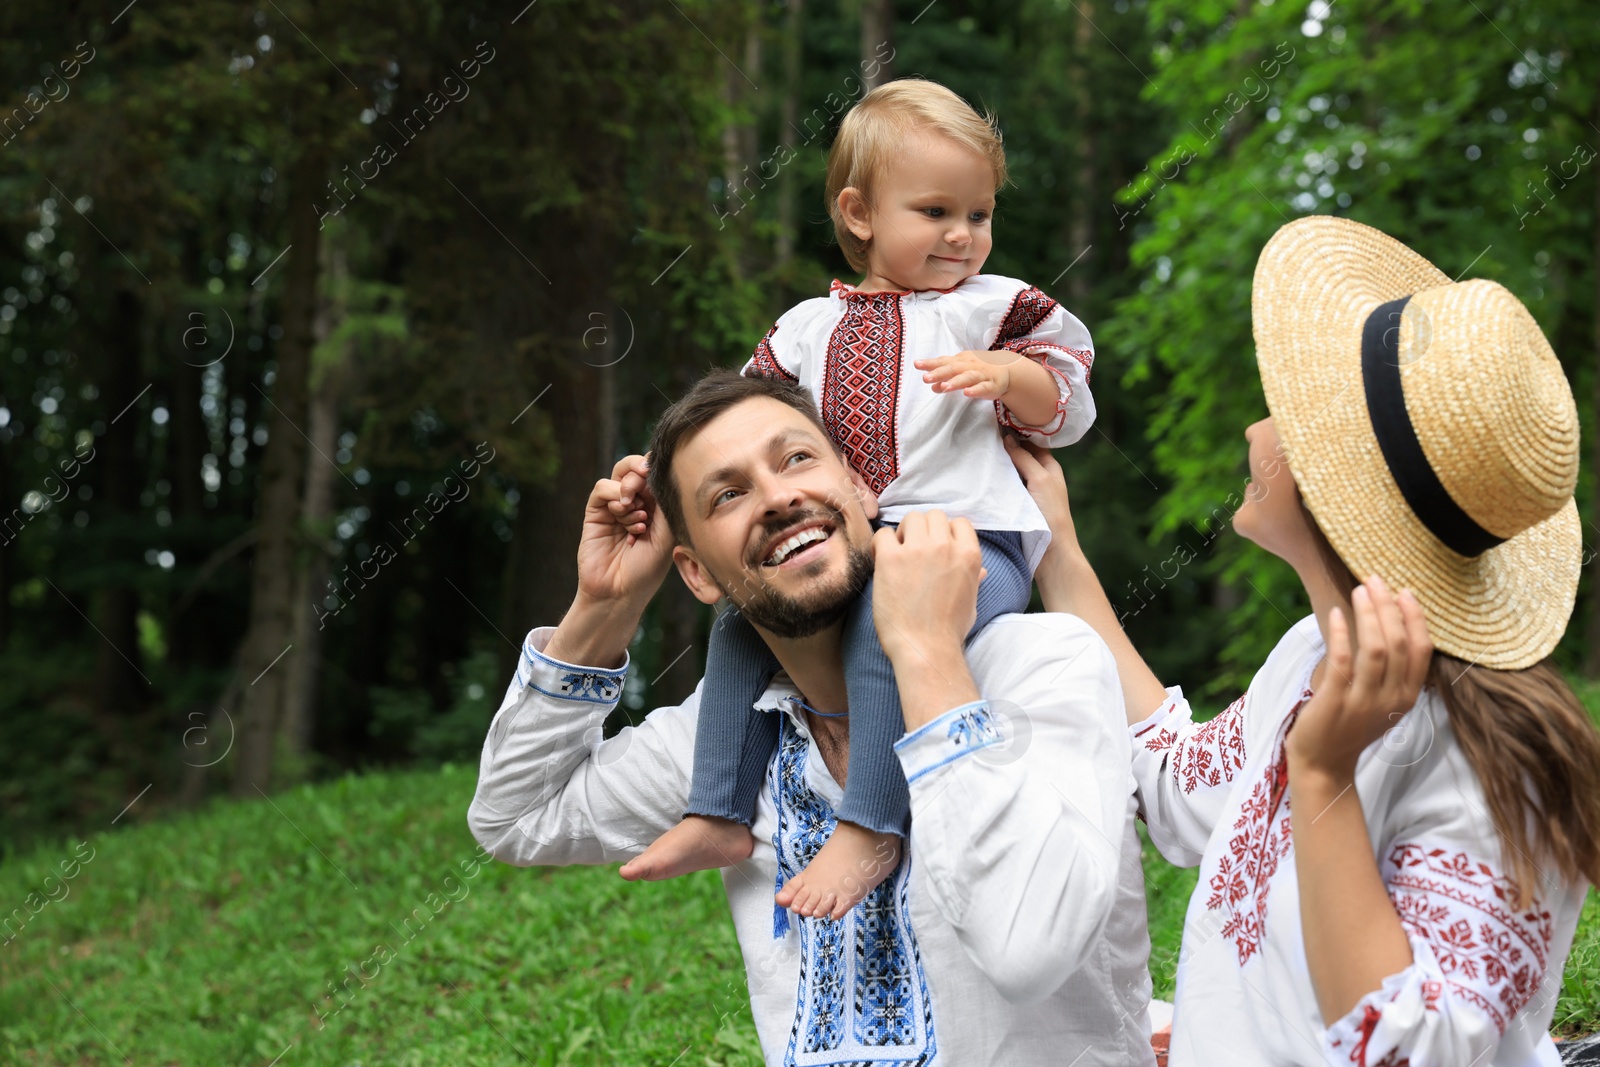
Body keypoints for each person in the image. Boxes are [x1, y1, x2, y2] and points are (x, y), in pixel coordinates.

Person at [1007, 214, 1600, 1066]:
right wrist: (1057, 548)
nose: (1254, 428)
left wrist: (1323, 775)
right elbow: (1177, 784)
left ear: (1329, 484)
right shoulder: (1311, 658)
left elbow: (1411, 1048)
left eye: (1287, 407)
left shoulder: (1490, 764)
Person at [468, 371, 1156, 1066]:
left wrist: (924, 650)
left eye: (797, 457)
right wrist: (604, 606)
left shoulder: (1042, 665)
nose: (778, 497)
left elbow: (1027, 947)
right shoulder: (732, 733)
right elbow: (514, 816)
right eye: (728, 494)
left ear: (862, 490)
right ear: (696, 573)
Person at [624, 77, 1097, 922]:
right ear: (859, 213)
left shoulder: (990, 309)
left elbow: (1067, 401)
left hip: (971, 539)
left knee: (887, 609)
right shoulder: (809, 324)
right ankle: (719, 809)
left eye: (980, 215)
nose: (963, 235)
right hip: (861, 533)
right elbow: (734, 417)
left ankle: (873, 822)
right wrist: (661, 469)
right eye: (936, 212)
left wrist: (1011, 376)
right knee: (741, 619)